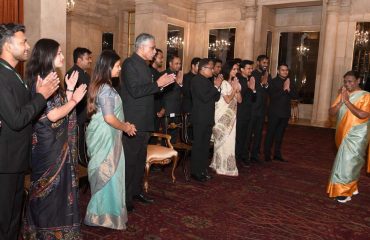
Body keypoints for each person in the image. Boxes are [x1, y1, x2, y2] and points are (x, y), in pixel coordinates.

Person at [0, 23, 59, 240]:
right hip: (4, 162)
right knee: (5, 218)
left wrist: (39, 94)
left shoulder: (13, 74)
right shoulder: (2, 74)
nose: (27, 46)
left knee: (14, 216)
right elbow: (17, 119)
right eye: (23, 41)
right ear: (7, 45)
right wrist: (41, 95)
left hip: (14, 159)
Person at [23, 38, 86, 238]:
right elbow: (53, 115)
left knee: (60, 190)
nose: (61, 56)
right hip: (47, 147)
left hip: (57, 143)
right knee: (48, 190)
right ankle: (45, 232)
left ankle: (58, 230)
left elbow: (58, 107)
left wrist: (68, 90)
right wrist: (75, 99)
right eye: (58, 53)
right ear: (48, 55)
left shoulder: (51, 76)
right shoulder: (42, 80)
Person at [119, 33, 175, 212]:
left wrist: (161, 85)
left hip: (145, 120)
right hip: (133, 122)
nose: (155, 51)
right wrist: (158, 84)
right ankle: (125, 198)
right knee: (130, 161)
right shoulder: (129, 64)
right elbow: (135, 91)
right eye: (152, 48)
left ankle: (136, 192)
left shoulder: (144, 65)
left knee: (139, 159)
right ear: (141, 48)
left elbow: (149, 92)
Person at [85, 50, 136, 229]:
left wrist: (122, 124)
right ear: (107, 67)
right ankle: (103, 216)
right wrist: (126, 127)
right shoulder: (105, 88)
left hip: (109, 134)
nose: (120, 68)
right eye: (117, 66)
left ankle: (103, 214)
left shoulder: (103, 85)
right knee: (109, 175)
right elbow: (109, 118)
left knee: (110, 174)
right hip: (106, 136)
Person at [327, 71, 370, 203]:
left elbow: (363, 115)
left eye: (350, 81)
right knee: (351, 163)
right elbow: (331, 112)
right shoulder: (343, 94)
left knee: (347, 162)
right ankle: (352, 185)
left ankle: (343, 192)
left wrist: (347, 102)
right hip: (342, 132)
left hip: (357, 134)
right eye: (345, 81)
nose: (347, 84)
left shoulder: (366, 96)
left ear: (358, 81)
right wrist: (341, 101)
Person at [190, 58, 222, 182]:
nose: (213, 70)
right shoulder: (196, 80)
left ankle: (203, 170)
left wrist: (216, 87)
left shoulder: (207, 81)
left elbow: (216, 98)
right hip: (200, 118)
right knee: (198, 145)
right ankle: (196, 171)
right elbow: (204, 97)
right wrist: (216, 86)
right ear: (202, 69)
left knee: (205, 146)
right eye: (211, 68)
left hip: (207, 117)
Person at [210, 61, 242, 176]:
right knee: (222, 140)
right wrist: (234, 89)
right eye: (234, 69)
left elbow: (239, 100)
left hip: (232, 116)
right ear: (228, 69)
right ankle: (220, 166)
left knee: (230, 140)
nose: (236, 71)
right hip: (222, 114)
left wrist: (237, 89)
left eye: (237, 69)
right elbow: (228, 100)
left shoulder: (235, 82)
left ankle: (227, 166)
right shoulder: (223, 83)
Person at [264, 63, 297, 162]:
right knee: (270, 134)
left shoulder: (290, 82)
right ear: (278, 71)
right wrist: (284, 89)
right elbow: (273, 96)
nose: (285, 72)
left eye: (286, 70)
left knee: (280, 135)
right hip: (274, 112)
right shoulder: (273, 82)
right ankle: (267, 155)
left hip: (285, 113)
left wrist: (289, 89)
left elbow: (295, 96)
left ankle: (277, 154)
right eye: (283, 70)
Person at [66, 47, 92, 166]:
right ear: (79, 59)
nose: (90, 61)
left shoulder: (84, 74)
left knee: (84, 147)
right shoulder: (73, 73)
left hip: (84, 117)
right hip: (77, 117)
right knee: (78, 149)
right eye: (88, 58)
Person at [248, 54, 270, 163]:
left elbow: (267, 90)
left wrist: (265, 85)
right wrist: (261, 84)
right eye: (263, 62)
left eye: (267, 63)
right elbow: (252, 90)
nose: (265, 65)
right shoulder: (252, 74)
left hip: (262, 109)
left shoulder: (266, 74)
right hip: (253, 108)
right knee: (249, 133)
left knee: (259, 132)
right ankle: (245, 154)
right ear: (258, 63)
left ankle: (255, 155)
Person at [235, 60, 256, 167]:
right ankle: (237, 158)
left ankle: (244, 157)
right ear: (242, 69)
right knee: (239, 137)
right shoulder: (238, 79)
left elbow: (253, 99)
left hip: (248, 112)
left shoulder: (250, 79)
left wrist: (253, 89)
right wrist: (249, 88)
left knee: (247, 136)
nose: (250, 70)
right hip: (240, 112)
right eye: (248, 68)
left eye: (251, 68)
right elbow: (240, 98)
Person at [161, 54, 183, 143]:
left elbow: (181, 92)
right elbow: (164, 93)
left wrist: (180, 83)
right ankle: (164, 155)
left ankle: (172, 155)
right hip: (167, 108)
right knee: (166, 134)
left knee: (175, 133)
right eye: (176, 63)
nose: (179, 65)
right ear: (170, 64)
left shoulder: (179, 74)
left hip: (177, 108)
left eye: (180, 63)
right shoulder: (165, 75)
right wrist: (178, 83)